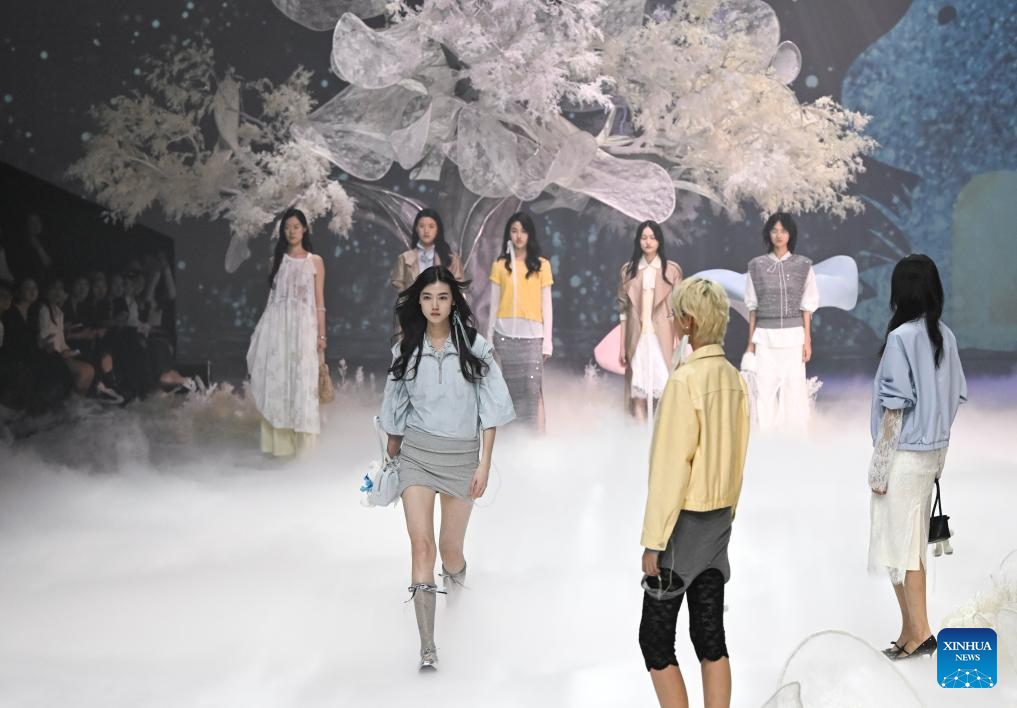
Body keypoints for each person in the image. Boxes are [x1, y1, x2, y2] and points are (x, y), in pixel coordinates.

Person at [380, 265, 514, 671]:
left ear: (453, 301)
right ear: (418, 303)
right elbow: (394, 410)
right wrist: (389, 458)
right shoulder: (406, 349)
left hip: (461, 459)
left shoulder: (474, 346)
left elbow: (491, 409)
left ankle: (457, 614)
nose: (434, 305)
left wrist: (484, 464)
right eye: (427, 297)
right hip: (417, 455)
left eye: (442, 297)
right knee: (422, 546)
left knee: (451, 551)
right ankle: (428, 648)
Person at [639, 277, 749, 708]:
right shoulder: (733, 379)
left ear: (688, 322)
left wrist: (654, 540)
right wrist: (728, 515)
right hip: (719, 521)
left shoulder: (685, 382)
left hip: (681, 528)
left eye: (674, 315)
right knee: (708, 633)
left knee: (655, 638)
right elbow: (738, 456)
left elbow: (671, 469)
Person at [868, 254, 966, 661]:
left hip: (903, 456)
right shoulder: (946, 335)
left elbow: (894, 408)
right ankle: (910, 631)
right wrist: (938, 447)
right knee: (908, 546)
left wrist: (879, 466)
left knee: (901, 548)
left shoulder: (901, 338)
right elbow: (954, 398)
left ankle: (922, 633)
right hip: (932, 455)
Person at [246, 208, 326, 457]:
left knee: (302, 383)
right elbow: (272, 302)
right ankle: (280, 447)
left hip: (304, 330)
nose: (291, 231)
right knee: (278, 382)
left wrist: (321, 335)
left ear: (305, 229)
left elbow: (319, 302)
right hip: (277, 330)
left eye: (296, 226)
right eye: (287, 227)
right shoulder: (276, 260)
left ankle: (304, 451)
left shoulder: (315, 261)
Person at [744, 212, 818, 434]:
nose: (779, 235)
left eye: (783, 231)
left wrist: (807, 340)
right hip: (765, 337)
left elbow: (807, 306)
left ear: (790, 234)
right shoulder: (756, 266)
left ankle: (795, 437)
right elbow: (753, 309)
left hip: (794, 337)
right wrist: (750, 344)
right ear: (768, 234)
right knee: (764, 391)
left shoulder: (803, 265)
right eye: (774, 230)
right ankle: (767, 438)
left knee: (794, 390)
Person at [486, 211, 554, 431]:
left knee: (533, 389)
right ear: (509, 234)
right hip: (504, 335)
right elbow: (494, 304)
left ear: (530, 234)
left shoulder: (542, 265)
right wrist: (489, 337)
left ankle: (538, 440)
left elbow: (547, 306)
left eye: (523, 231)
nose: (518, 235)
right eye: (514, 231)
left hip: (533, 336)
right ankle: (514, 439)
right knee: (510, 390)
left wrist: (547, 342)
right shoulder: (500, 265)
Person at [617, 220, 683, 422]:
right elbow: (623, 312)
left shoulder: (671, 271)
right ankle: (640, 434)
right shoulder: (628, 271)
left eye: (652, 238)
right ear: (638, 241)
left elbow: (678, 309)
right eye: (644, 237)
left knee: (664, 388)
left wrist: (678, 339)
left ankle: (661, 434)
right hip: (637, 337)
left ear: (659, 241)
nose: (648, 242)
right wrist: (622, 347)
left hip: (662, 336)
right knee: (638, 390)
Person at [37, 279, 95, 396]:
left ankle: (78, 401)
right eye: (54, 288)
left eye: (61, 289)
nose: (58, 292)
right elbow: (45, 339)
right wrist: (63, 353)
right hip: (49, 355)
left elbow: (61, 340)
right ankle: (73, 401)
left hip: (61, 353)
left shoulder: (58, 312)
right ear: (47, 291)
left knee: (89, 368)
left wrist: (68, 351)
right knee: (84, 370)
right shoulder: (43, 310)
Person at [390, 209, 464, 296]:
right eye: (422, 226)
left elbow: (459, 288)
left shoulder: (452, 259)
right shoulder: (404, 259)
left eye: (431, 227)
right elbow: (398, 284)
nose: (426, 231)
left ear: (437, 229)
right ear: (416, 228)